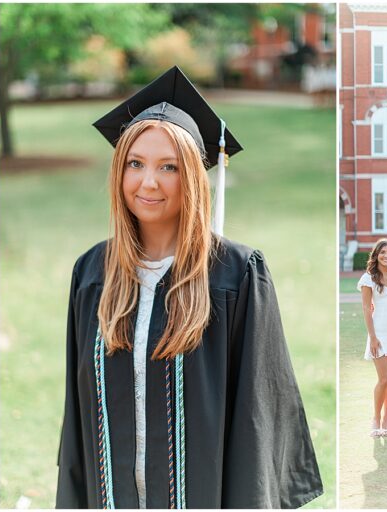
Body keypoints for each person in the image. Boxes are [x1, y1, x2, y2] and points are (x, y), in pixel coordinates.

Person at [57, 66, 322, 508]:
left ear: (194, 179)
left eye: (169, 167)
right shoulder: (92, 274)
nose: (148, 182)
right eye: (135, 163)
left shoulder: (236, 275)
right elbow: (78, 417)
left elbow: (258, 418)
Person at [359, 238, 387, 438]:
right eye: (382, 252)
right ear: (376, 255)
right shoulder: (369, 278)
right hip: (379, 333)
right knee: (384, 378)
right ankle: (376, 418)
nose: (386, 256)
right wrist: (373, 337)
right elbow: (366, 309)